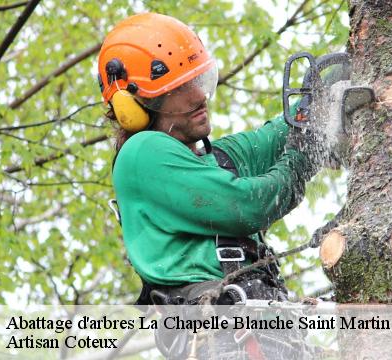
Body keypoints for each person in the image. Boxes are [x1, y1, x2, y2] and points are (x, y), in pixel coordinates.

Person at [97, 13, 322, 306]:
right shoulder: (142, 152)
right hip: (217, 331)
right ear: (136, 105)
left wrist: (315, 101)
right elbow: (247, 205)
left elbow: (276, 135)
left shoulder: (213, 160)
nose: (200, 95)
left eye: (199, 80)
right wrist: (300, 159)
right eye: (180, 87)